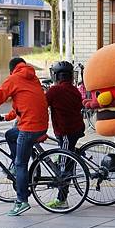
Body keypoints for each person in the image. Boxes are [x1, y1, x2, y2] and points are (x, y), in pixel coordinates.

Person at [0, 57, 48, 216]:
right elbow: (26, 103)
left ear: (11, 70)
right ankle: (16, 165)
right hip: (41, 125)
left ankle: (22, 201)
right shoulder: (33, 78)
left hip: (29, 128)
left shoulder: (14, 78)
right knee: (10, 134)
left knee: (21, 164)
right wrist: (8, 117)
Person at [45, 61, 85, 209]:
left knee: (64, 169)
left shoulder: (54, 91)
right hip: (76, 128)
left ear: (55, 76)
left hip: (66, 131)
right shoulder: (74, 90)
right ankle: (64, 158)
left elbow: (42, 105)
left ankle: (62, 199)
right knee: (65, 156)